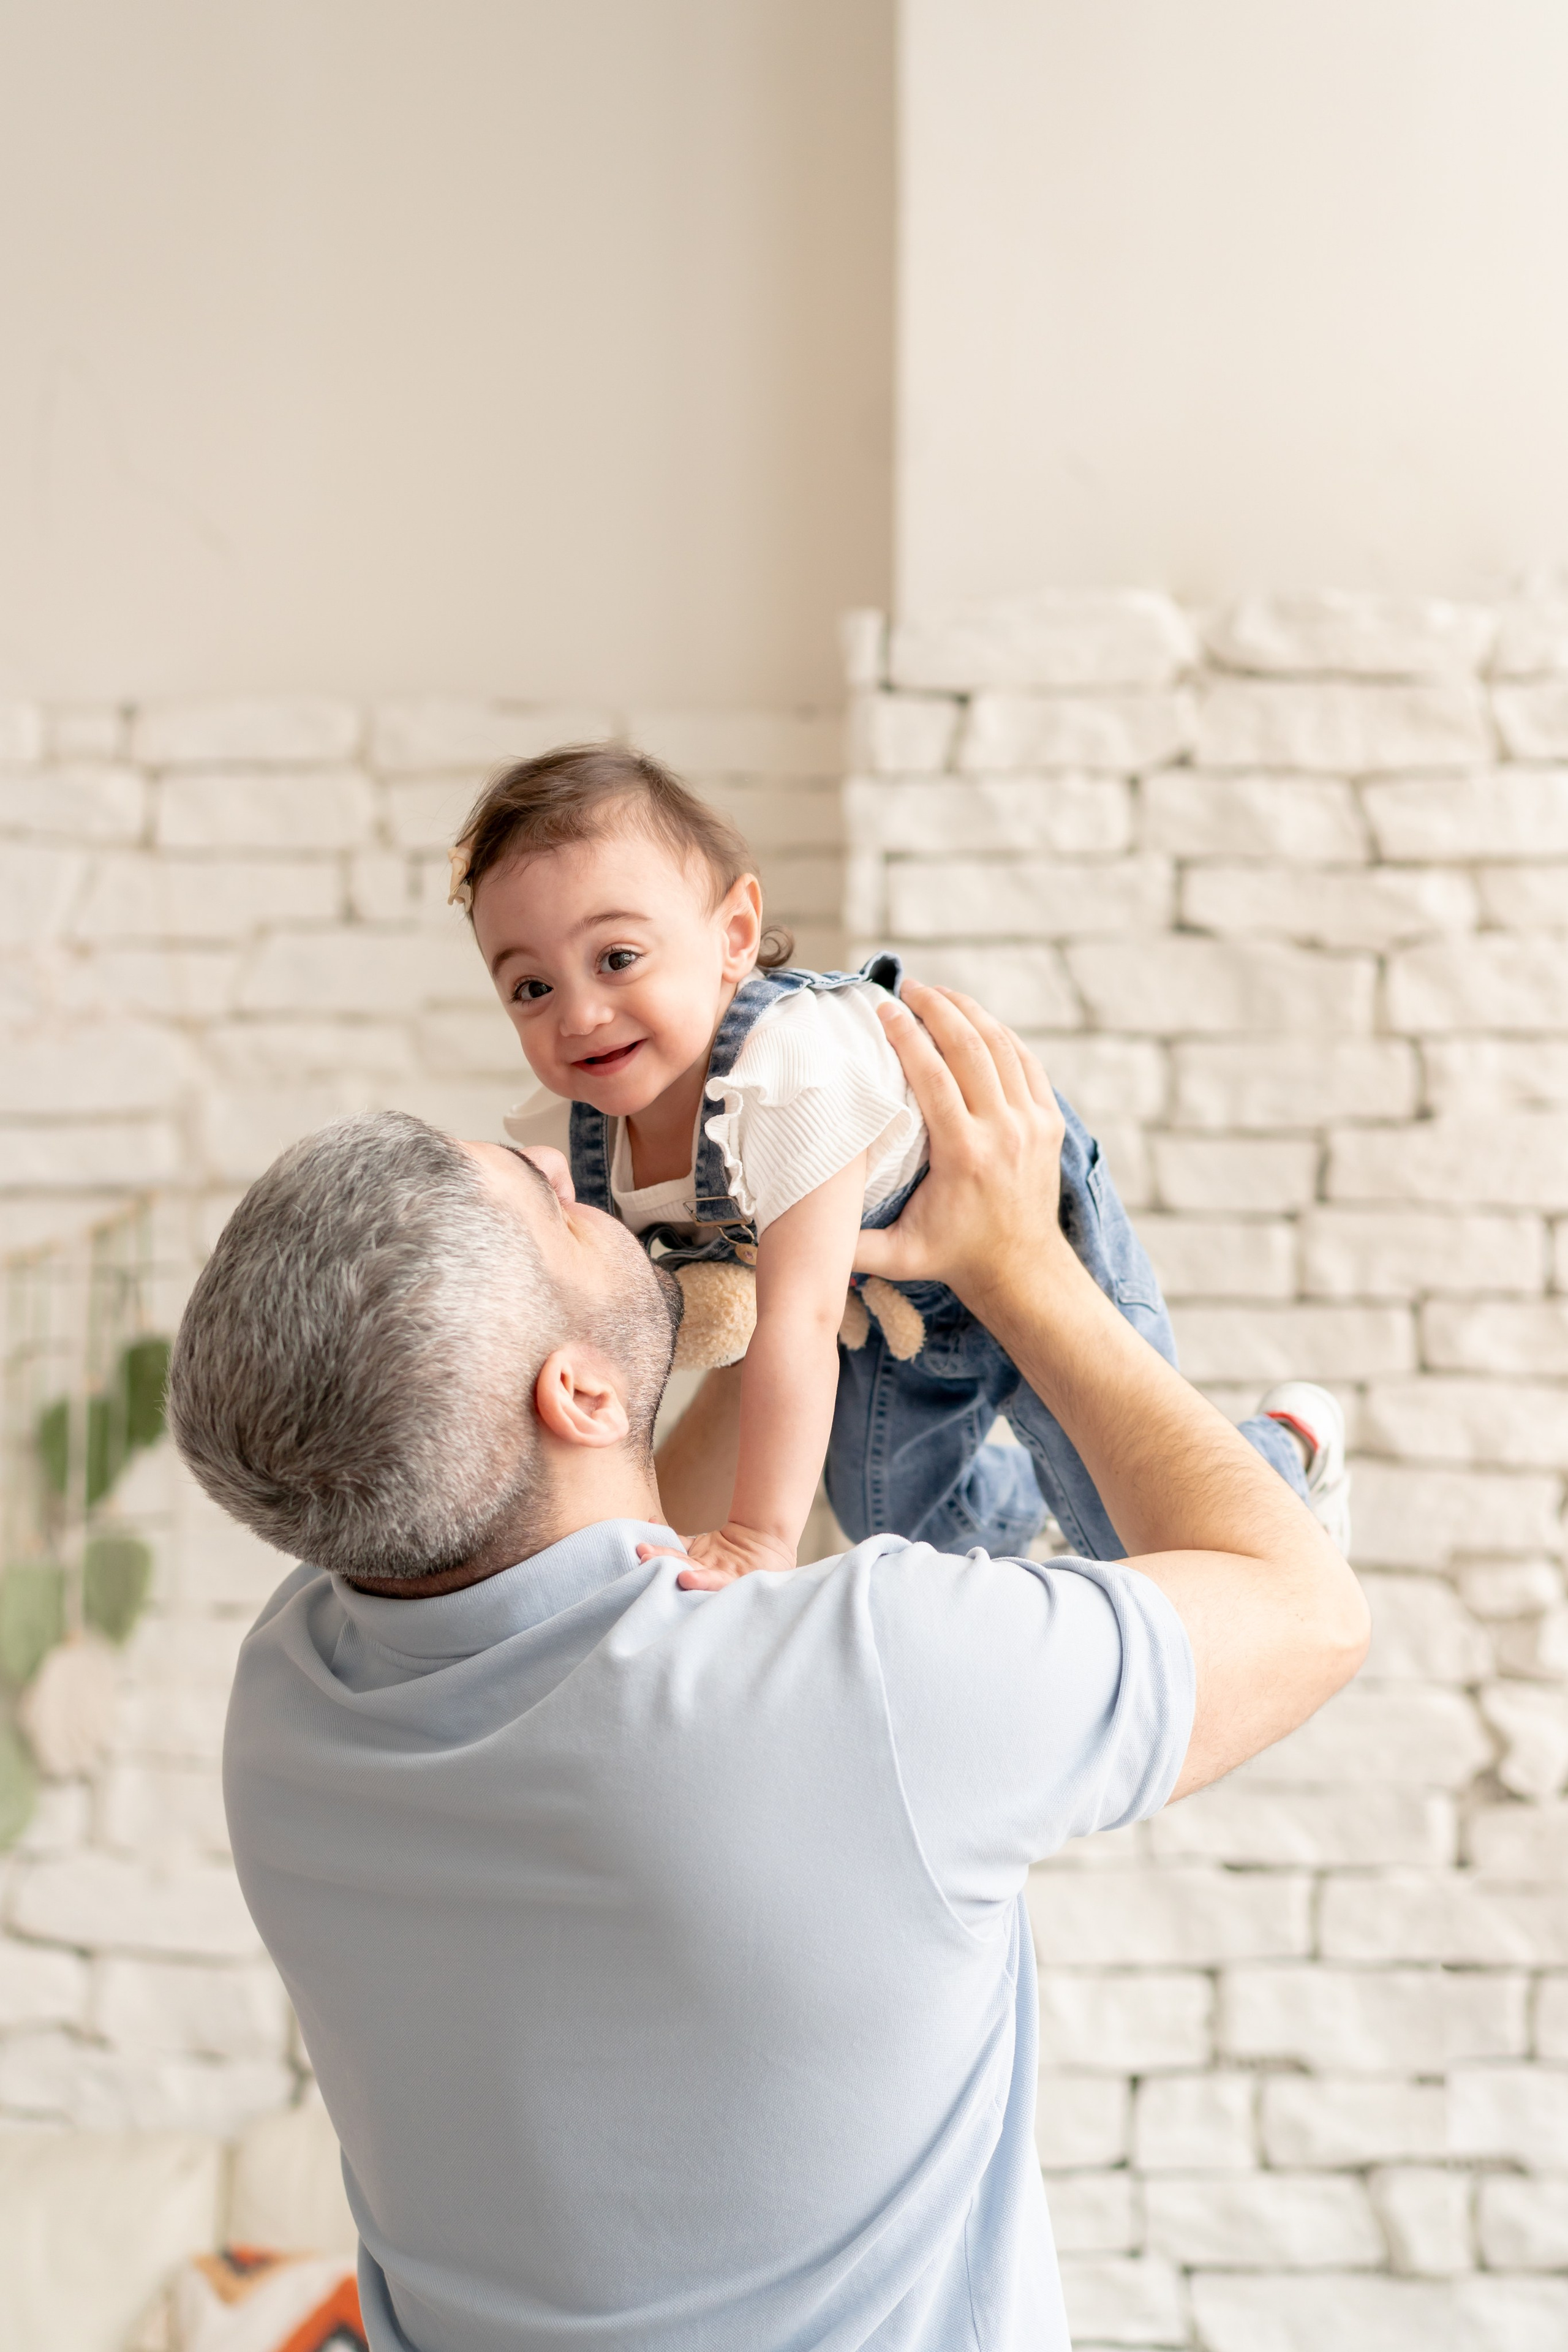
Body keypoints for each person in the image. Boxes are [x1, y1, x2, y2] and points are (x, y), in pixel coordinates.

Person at [170, 987, 1369, 2352]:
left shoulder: (294, 1707)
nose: (578, 1174)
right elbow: (1305, 1611)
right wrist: (1019, 1263)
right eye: (551, 1202)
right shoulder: (860, 1683)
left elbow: (594, 1555)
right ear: (579, 1395)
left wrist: (798, 1280)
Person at [450, 744, 1351, 1580]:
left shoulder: (788, 1071)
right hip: (889, 1292)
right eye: (531, 987)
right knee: (890, 1509)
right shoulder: (578, 1127)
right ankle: (1036, 1523)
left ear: (734, 936)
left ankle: (1287, 1455)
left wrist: (759, 1538)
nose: (579, 1014)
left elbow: (797, 1320)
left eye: (617, 958)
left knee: (1129, 1508)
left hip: (1017, 1216)